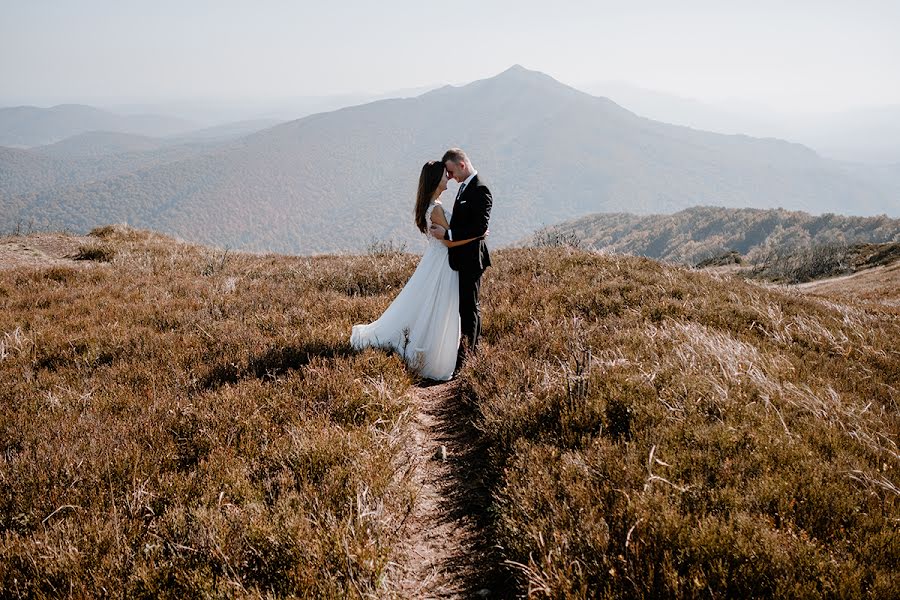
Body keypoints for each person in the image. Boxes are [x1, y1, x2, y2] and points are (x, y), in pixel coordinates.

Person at [350, 161, 485, 380]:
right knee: (437, 308)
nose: (449, 177)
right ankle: (430, 354)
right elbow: (451, 241)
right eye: (444, 175)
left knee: (428, 306)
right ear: (435, 179)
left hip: (436, 261)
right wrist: (478, 234)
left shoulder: (431, 205)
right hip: (444, 264)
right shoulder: (437, 208)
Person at [428, 148, 492, 372]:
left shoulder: (480, 189)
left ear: (462, 165)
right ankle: (472, 352)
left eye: (452, 172)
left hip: (472, 259)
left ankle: (467, 359)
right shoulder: (465, 187)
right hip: (461, 258)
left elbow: (479, 226)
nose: (451, 177)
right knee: (468, 307)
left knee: (469, 308)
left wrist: (449, 236)